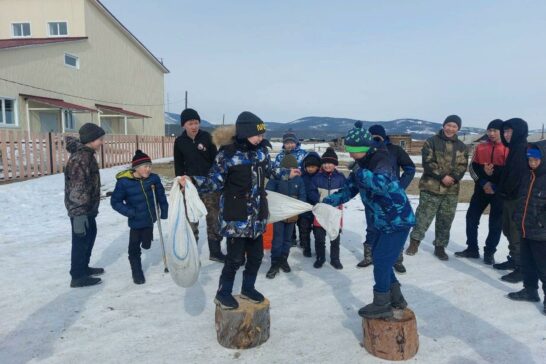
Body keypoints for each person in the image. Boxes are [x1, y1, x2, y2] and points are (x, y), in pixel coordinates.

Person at [180, 111, 298, 309]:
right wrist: (192, 180)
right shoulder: (227, 155)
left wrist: (287, 173)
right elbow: (213, 182)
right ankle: (223, 293)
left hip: (258, 215)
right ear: (244, 132)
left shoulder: (261, 152)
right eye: (257, 134)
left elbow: (270, 171)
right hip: (237, 217)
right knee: (234, 259)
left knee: (256, 257)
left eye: (262, 135)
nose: (261, 138)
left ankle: (248, 288)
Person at [322, 122, 415, 318]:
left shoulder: (382, 160)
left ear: (362, 148)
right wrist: (328, 201)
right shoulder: (362, 164)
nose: (349, 154)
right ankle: (396, 298)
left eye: (352, 151)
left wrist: (359, 170)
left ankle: (382, 303)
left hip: (396, 220)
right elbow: (350, 189)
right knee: (383, 260)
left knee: (381, 261)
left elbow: (380, 185)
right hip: (380, 221)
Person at [405, 115, 469, 261]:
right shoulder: (431, 142)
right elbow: (427, 162)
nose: (451, 128)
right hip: (431, 186)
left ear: (458, 128)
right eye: (449, 125)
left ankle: (440, 247)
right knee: (423, 216)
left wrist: (452, 178)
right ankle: (414, 242)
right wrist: (442, 177)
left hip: (451, 190)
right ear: (444, 125)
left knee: (445, 219)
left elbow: (462, 166)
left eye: (454, 126)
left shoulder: (462, 147)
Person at [358, 125, 416, 273]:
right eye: (372, 137)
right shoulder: (367, 151)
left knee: (394, 228)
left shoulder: (395, 150)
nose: (375, 139)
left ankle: (397, 259)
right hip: (372, 198)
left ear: (384, 136)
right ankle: (369, 256)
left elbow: (410, 168)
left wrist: (400, 186)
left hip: (392, 199)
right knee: (372, 226)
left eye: (378, 137)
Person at [173, 108, 225, 262]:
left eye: (196, 123)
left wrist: (216, 181)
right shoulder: (179, 142)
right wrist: (181, 182)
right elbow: (178, 165)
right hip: (191, 188)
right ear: (184, 125)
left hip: (209, 187)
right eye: (190, 123)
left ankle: (215, 252)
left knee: (214, 218)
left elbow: (216, 162)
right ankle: (192, 253)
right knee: (191, 219)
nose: (194, 126)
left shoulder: (207, 138)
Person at [110, 150, 168, 284]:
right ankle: (137, 272)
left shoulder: (153, 179)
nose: (148, 169)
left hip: (150, 219)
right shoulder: (124, 183)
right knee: (134, 247)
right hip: (135, 221)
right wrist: (130, 212)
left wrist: (164, 211)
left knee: (147, 244)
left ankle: (147, 241)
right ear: (136, 167)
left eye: (150, 166)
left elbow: (161, 196)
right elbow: (115, 202)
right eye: (145, 166)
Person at [455, 119, 508, 264]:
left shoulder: (507, 149)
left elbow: (509, 173)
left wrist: (495, 186)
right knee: (471, 218)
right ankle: (472, 248)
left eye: (494, 130)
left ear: (501, 132)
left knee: (495, 223)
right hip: (481, 189)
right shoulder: (481, 147)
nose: (491, 133)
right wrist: (484, 182)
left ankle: (490, 252)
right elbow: (473, 168)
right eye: (489, 130)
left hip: (499, 192)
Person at [64, 123, 106, 288]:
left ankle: (83, 267)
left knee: (90, 235)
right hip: (80, 210)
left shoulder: (87, 154)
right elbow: (77, 186)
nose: (102, 142)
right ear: (91, 140)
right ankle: (77, 276)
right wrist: (79, 213)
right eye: (100, 139)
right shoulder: (80, 158)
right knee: (81, 240)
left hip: (87, 208)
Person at [508, 141, 546, 315]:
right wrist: (517, 217)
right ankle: (530, 290)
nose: (532, 163)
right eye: (529, 159)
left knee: (543, 268)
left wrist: (541, 222)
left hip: (541, 233)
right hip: (524, 228)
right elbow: (522, 199)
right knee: (527, 264)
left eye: (536, 160)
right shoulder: (528, 176)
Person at [494, 118, 529, 283]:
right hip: (510, 197)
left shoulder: (522, 149)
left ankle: (521, 269)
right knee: (508, 230)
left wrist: (503, 190)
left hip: (517, 199)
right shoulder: (514, 149)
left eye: (510, 131)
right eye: (505, 131)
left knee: (515, 232)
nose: (506, 134)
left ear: (519, 131)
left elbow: (516, 177)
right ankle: (515, 260)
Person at [265, 154, 306, 278]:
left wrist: (298, 205)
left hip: (292, 215)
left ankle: (284, 259)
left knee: (287, 239)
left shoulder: (299, 180)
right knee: (277, 239)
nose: (291, 171)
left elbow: (302, 196)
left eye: (293, 168)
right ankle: (274, 263)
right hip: (279, 215)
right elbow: (269, 192)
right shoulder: (276, 179)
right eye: (288, 169)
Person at [308, 147, 346, 269]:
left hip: (335, 212)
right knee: (319, 237)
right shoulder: (317, 178)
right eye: (324, 163)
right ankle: (320, 257)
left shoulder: (340, 178)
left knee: (334, 236)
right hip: (320, 211)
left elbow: (345, 192)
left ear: (335, 164)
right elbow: (311, 192)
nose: (327, 165)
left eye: (330, 163)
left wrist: (339, 200)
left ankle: (335, 259)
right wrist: (318, 200)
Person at [273, 130, 307, 246]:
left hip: (299, 187)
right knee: (288, 213)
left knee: (301, 216)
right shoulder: (280, 156)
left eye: (292, 142)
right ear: (284, 144)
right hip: (285, 189)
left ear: (296, 143)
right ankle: (291, 237)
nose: (290, 145)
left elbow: (308, 167)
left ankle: (304, 239)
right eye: (287, 143)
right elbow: (276, 171)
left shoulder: (303, 154)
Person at [298, 151, 322, 257]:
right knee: (304, 229)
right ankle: (306, 247)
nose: (310, 169)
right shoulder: (302, 177)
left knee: (318, 231)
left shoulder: (321, 177)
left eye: (313, 166)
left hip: (317, 208)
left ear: (318, 166)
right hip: (304, 208)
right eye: (308, 167)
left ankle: (318, 249)